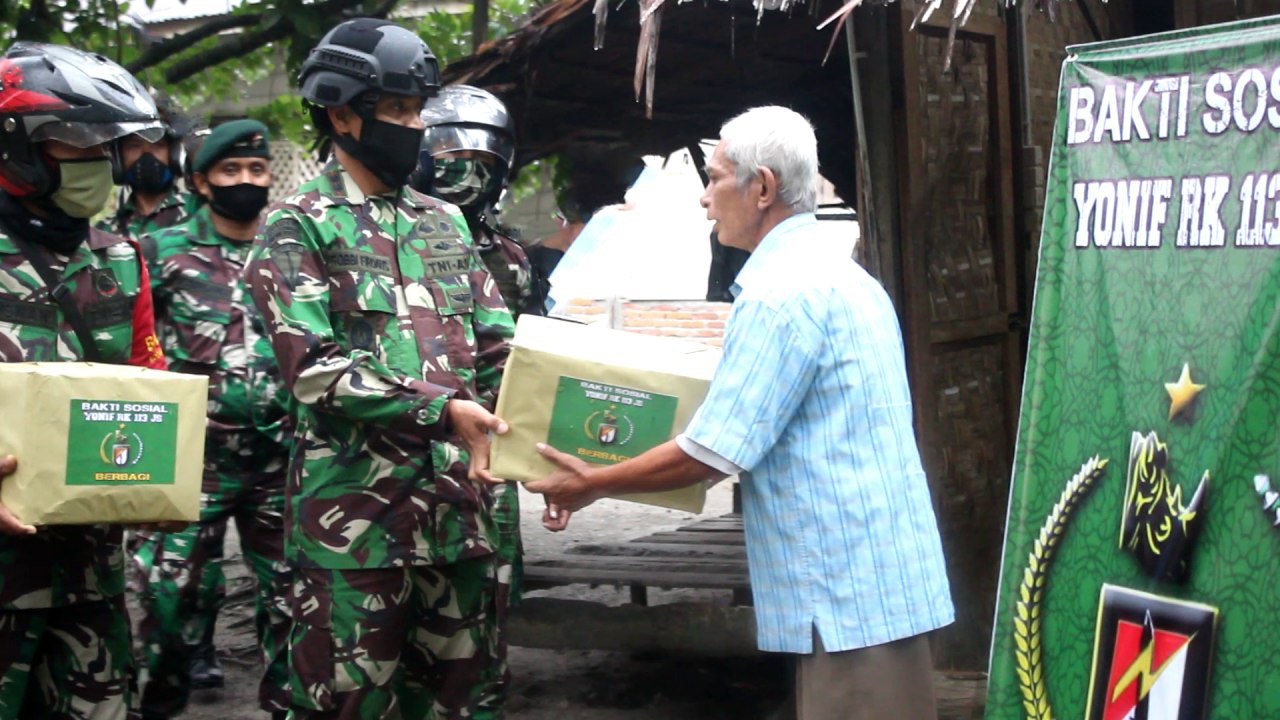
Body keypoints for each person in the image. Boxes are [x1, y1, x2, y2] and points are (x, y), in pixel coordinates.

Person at [525, 106, 955, 720]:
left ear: (763, 188)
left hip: (844, 597)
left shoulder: (781, 294)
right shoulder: (848, 279)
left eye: (715, 178)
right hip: (877, 580)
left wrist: (592, 482)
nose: (705, 198)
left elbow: (712, 451)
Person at [245, 19, 515, 720]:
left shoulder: (445, 223)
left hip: (459, 521)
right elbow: (314, 368)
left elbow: (500, 351)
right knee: (349, 706)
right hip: (356, 533)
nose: (417, 127)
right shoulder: (298, 225)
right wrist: (441, 410)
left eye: (420, 110)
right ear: (343, 115)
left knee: (464, 705)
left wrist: (561, 427)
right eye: (399, 110)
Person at [0, 41, 169, 718]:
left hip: (88, 576)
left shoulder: (120, 260)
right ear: (17, 145)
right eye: (75, 142)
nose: (98, 162)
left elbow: (149, 386)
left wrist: (162, 475)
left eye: (106, 145)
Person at [134, 119, 291, 720]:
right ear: (201, 182)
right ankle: (160, 702)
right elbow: (134, 344)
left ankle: (289, 706)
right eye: (230, 170)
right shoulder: (161, 251)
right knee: (169, 597)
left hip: (278, 458)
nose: (245, 180)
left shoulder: (289, 250)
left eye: (256, 169)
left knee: (294, 601)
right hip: (191, 461)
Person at [412, 84, 542, 659]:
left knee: (489, 587)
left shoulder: (509, 259)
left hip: (491, 445)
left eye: (483, 161)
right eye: (453, 158)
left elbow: (527, 356)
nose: (468, 173)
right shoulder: (388, 240)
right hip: (413, 435)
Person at [98, 108, 198, 239]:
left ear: (173, 154)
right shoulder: (105, 232)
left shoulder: (200, 212)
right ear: (119, 158)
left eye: (158, 145)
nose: (147, 154)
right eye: (134, 145)